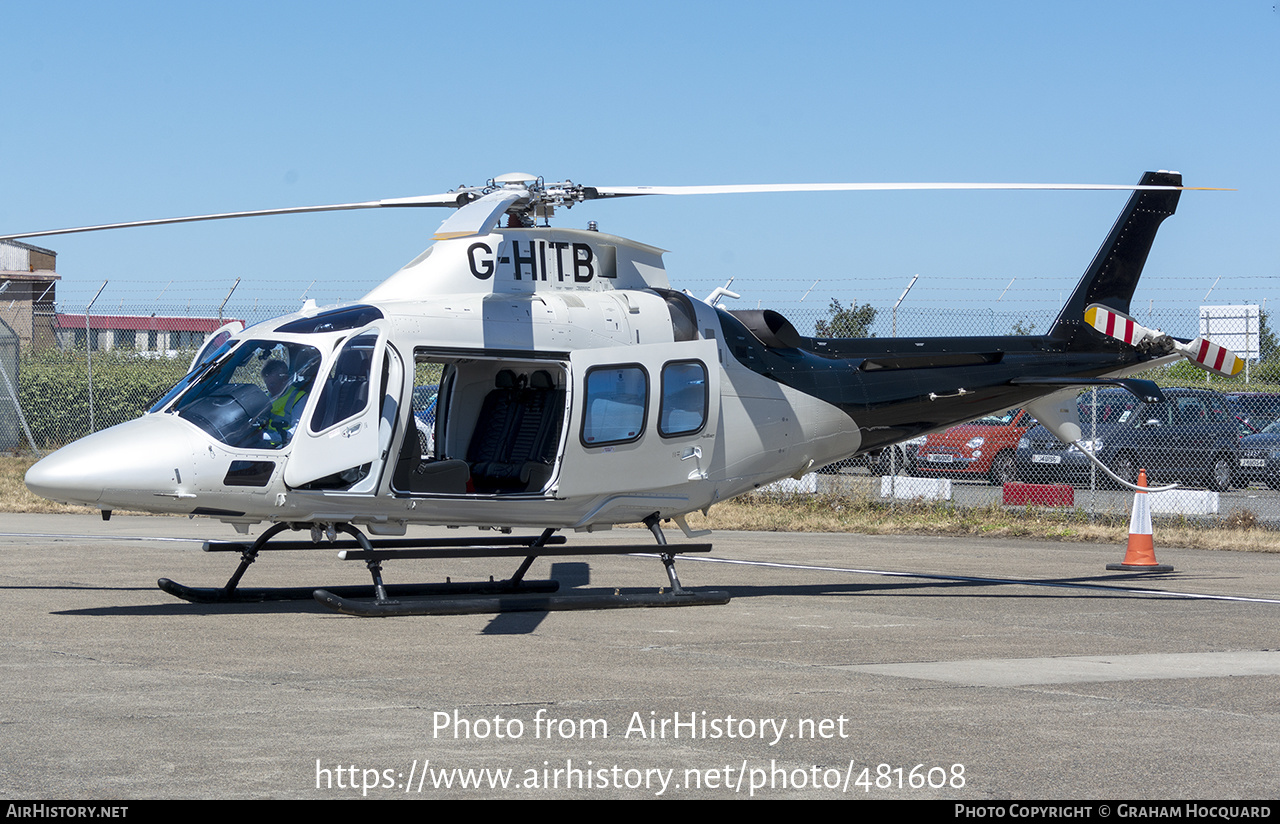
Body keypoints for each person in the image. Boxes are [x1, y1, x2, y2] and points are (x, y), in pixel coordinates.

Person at [261, 359, 308, 446]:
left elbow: (296, 432)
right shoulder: (268, 397)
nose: (269, 388)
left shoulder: (298, 398)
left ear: (284, 379)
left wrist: (266, 436)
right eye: (267, 384)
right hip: (265, 442)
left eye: (272, 384)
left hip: (283, 446)